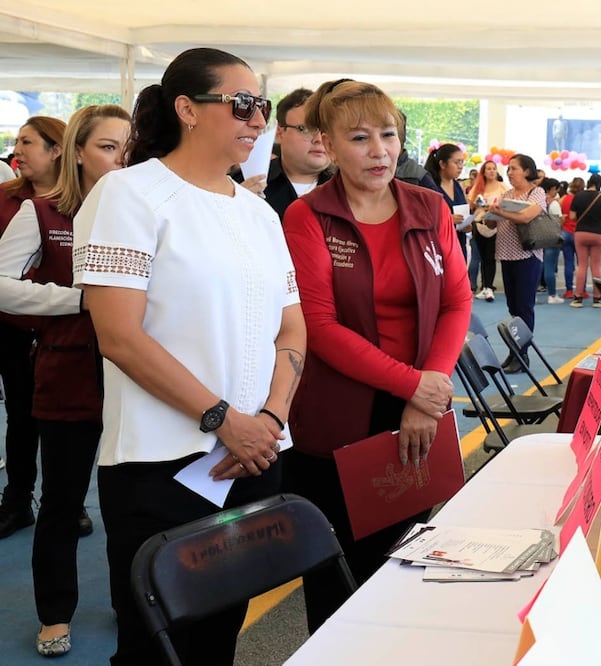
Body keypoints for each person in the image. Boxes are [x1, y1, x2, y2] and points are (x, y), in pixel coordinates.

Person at [73, 47, 305, 665]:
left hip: (255, 456)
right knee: (159, 644)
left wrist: (272, 421)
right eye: (244, 104)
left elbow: (292, 330)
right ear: (187, 109)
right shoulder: (131, 195)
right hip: (164, 463)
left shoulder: (258, 212)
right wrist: (226, 420)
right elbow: (120, 336)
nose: (259, 121)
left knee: (220, 632)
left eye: (265, 108)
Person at [281, 79, 471, 633]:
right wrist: (412, 386)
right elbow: (318, 325)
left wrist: (426, 389)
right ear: (328, 145)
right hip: (338, 418)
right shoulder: (308, 216)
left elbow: (457, 301)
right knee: (338, 577)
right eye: (360, 138)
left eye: (388, 135)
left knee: (401, 563)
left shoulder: (429, 207)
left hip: (417, 410)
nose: (379, 150)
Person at [0, 104, 130, 657]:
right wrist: (79, 300)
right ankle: (55, 612)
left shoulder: (146, 212)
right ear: (77, 151)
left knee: (130, 503)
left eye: (127, 146)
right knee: (62, 500)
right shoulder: (44, 211)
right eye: (107, 146)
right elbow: (1, 286)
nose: (121, 157)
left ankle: (135, 600)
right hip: (71, 370)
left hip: (138, 375)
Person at [0, 116, 66, 541]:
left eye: (27, 142)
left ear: (57, 149)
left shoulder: (83, 201)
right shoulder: (5, 198)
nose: (17, 150)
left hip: (64, 334)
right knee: (20, 416)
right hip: (12, 329)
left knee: (63, 422)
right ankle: (18, 499)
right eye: (17, 142)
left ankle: (68, 502)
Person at [231, 87, 333, 220]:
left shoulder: (348, 188)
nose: (319, 139)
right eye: (306, 129)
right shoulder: (240, 185)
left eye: (325, 130)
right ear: (280, 133)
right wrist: (233, 207)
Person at [488, 153, 545, 373]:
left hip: (527, 256)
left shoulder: (536, 192)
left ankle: (522, 354)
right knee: (513, 308)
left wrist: (501, 211)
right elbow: (494, 225)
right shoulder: (508, 193)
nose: (510, 172)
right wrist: (491, 214)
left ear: (527, 171)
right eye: (509, 168)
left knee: (524, 307)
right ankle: (514, 352)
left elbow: (526, 217)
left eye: (514, 168)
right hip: (506, 254)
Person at [568, 172, 601, 308]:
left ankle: (578, 297)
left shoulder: (578, 196)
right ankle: (597, 298)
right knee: (596, 266)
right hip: (597, 234)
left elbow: (572, 216)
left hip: (581, 233)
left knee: (582, 265)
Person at [466, 159, 506, 301]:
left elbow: (507, 204)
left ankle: (488, 287)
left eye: (493, 168)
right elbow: (470, 205)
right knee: (480, 257)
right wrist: (477, 203)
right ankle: (483, 287)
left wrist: (495, 208)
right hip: (479, 223)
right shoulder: (477, 187)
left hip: (495, 225)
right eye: (488, 168)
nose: (491, 171)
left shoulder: (502, 187)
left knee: (490, 258)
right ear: (483, 171)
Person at [424, 143, 469, 260]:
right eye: (457, 162)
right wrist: (447, 219)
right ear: (443, 164)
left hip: (459, 243)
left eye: (462, 162)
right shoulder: (431, 187)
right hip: (439, 247)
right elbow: (423, 217)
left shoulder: (458, 186)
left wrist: (468, 224)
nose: (460, 166)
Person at [539, 177, 566, 304]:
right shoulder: (554, 203)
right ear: (553, 189)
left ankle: (533, 294)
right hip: (552, 237)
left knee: (539, 266)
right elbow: (558, 221)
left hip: (540, 236)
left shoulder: (539, 200)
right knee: (550, 266)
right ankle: (552, 294)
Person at [556, 176, 584, 299]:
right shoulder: (582, 199)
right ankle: (582, 289)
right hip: (579, 232)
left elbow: (556, 210)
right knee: (582, 264)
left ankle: (568, 290)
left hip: (566, 232)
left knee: (568, 263)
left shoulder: (564, 199)